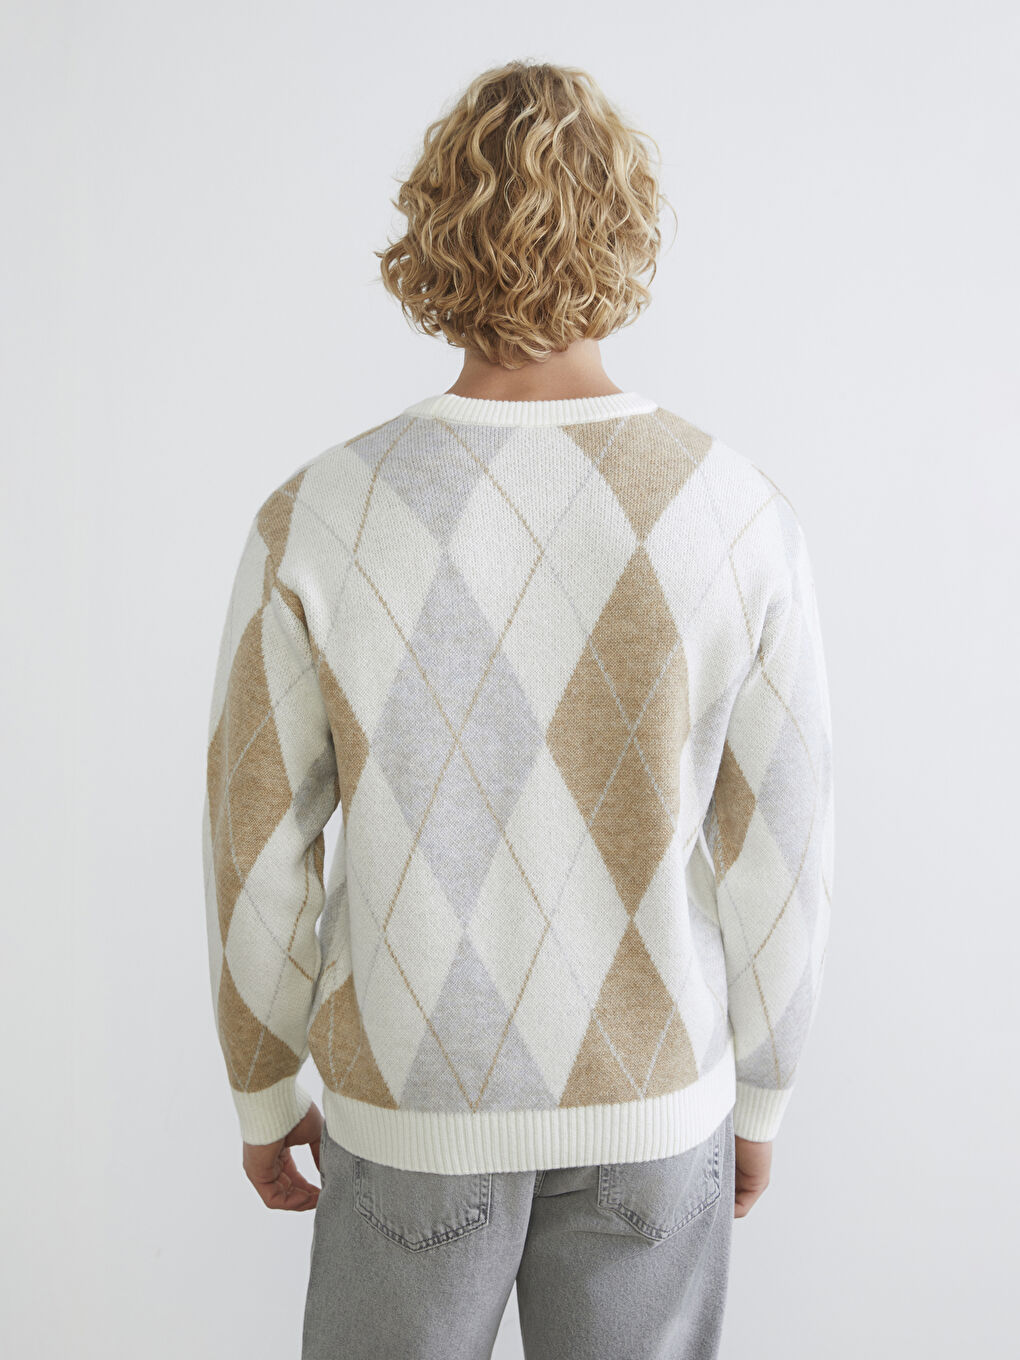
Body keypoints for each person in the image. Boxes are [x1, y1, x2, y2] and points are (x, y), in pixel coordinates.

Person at [201, 59, 834, 1360]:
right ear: (629, 226)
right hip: (657, 1105)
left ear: (433, 228)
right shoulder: (735, 513)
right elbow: (782, 845)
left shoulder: (324, 513)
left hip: (410, 1105)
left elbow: (255, 840)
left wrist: (264, 1087)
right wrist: (764, 1085)